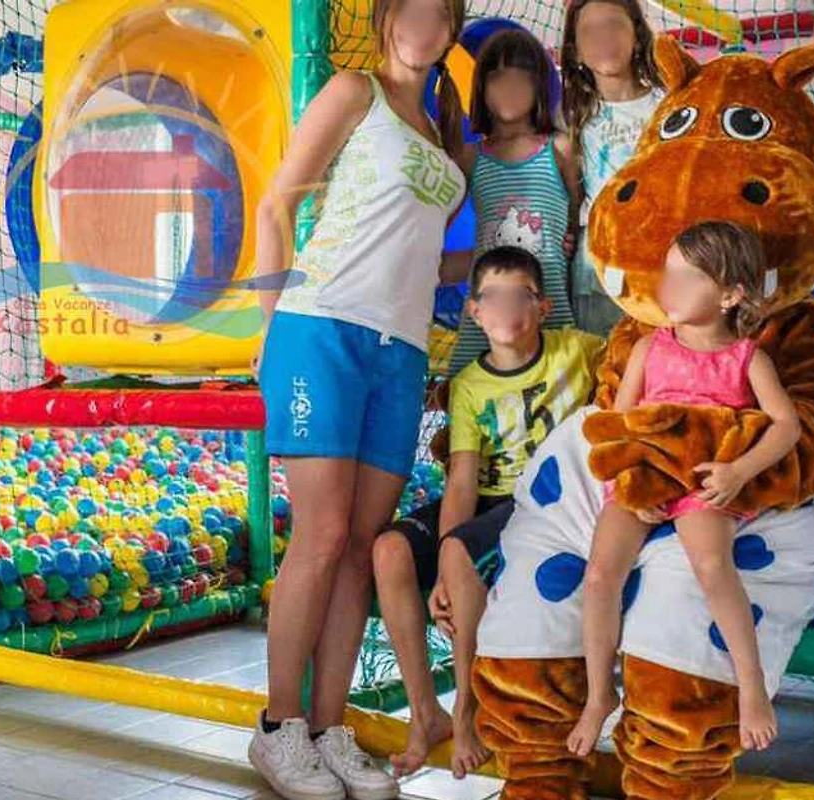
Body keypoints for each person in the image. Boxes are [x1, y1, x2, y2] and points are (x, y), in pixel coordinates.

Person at [250, 1, 469, 797]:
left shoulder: (444, 133)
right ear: (386, 18)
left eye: (441, 13)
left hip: (400, 349)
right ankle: (278, 728)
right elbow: (276, 203)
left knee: (359, 544)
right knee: (323, 533)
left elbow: (421, 254)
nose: (424, 24)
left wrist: (511, 255)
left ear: (451, 30)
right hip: (322, 328)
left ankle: (328, 727)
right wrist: (271, 324)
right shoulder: (353, 91)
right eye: (412, 8)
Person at [566, 222, 801, 757]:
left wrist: (738, 471)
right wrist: (632, 482)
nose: (668, 287)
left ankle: (752, 687)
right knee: (600, 574)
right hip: (647, 475)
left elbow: (786, 426)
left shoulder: (747, 359)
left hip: (702, 479)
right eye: (668, 273)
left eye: (687, 278)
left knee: (712, 566)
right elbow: (620, 424)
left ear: (730, 295)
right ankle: (600, 694)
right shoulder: (649, 348)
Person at [374, 246, 604, 780]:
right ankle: (425, 714)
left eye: (520, 296)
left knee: (458, 551)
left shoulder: (577, 350)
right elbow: (461, 480)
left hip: (542, 502)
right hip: (486, 500)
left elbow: (633, 358)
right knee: (389, 549)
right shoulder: (470, 386)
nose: (507, 309)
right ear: (475, 311)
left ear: (542, 307)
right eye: (493, 298)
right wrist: (444, 570)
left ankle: (466, 707)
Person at [446, 29, 581, 375]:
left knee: (559, 392)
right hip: (488, 314)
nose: (510, 88)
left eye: (523, 78)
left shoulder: (559, 149)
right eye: (498, 78)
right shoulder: (470, 158)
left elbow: (576, 220)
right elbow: (435, 220)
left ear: (539, 87)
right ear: (481, 87)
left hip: (547, 306)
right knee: (466, 389)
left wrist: (569, 240)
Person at [561, 0, 664, 337]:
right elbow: (571, 193)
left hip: (662, 260)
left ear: (637, 36)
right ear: (576, 51)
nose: (603, 37)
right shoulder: (571, 116)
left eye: (614, 25)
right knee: (604, 360)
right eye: (590, 30)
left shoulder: (668, 104)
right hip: (599, 267)